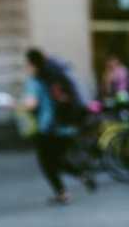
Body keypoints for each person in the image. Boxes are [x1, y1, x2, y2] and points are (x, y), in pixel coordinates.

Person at [22, 48, 95, 204]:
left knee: (46, 162)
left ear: (31, 64)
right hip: (68, 124)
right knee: (57, 160)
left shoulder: (36, 80)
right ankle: (81, 176)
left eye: (27, 64)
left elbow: (31, 105)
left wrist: (13, 104)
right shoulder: (56, 74)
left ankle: (62, 192)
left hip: (49, 127)